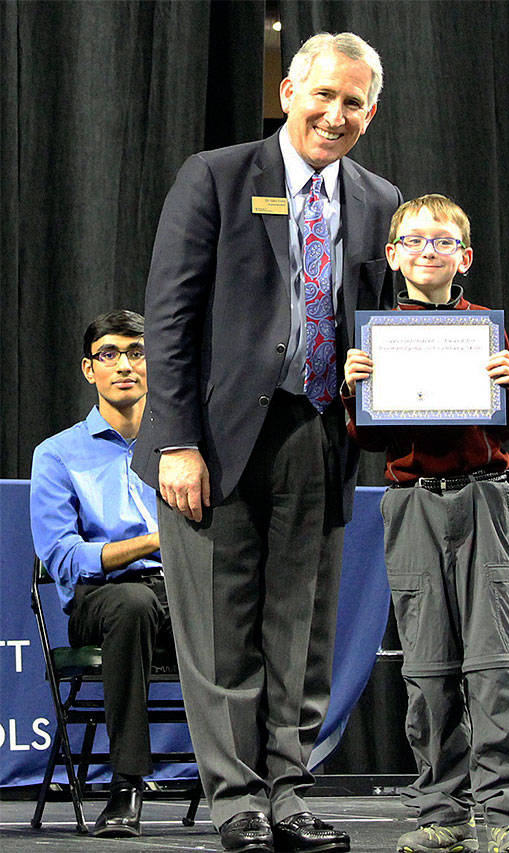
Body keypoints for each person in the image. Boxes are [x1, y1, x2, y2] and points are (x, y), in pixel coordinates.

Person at [131, 31, 402, 853]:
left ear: (372, 112)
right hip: (211, 441)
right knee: (219, 629)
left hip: (319, 433)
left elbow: (386, 324)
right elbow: (170, 317)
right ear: (289, 91)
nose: (335, 113)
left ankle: (289, 789)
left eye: (353, 102)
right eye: (323, 94)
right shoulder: (215, 176)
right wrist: (174, 439)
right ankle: (237, 800)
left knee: (302, 629)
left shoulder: (380, 199)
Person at [343, 195, 509, 853]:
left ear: (463, 257)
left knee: (498, 660)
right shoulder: (377, 334)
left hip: (484, 495)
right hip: (410, 501)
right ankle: (443, 809)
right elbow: (368, 440)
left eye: (441, 241)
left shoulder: (483, 330)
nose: (427, 251)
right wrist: (356, 391)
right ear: (392, 253)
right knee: (429, 663)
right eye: (413, 240)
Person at [30, 310, 174, 838]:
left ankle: (253, 788)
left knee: (243, 605)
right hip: (103, 600)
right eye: (109, 354)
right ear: (89, 370)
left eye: (137, 353)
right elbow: (64, 559)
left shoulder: (182, 446)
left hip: (180, 596)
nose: (125, 365)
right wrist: (157, 542)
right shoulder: (58, 454)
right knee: (132, 605)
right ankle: (126, 784)